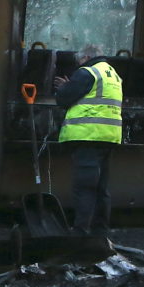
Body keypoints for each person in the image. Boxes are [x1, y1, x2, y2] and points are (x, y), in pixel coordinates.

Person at [54, 44, 122, 236]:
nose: (79, 64)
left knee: (84, 186)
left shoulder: (87, 73)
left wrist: (64, 87)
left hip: (88, 135)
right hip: (108, 137)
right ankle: (100, 230)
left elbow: (63, 99)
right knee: (102, 188)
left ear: (85, 57)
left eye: (79, 61)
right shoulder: (112, 74)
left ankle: (80, 231)